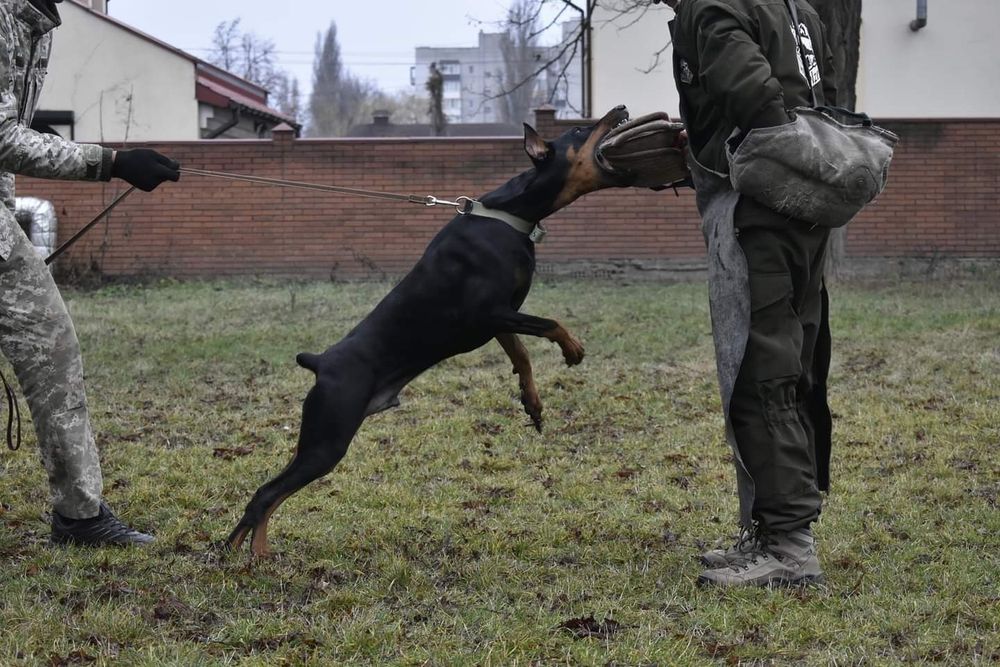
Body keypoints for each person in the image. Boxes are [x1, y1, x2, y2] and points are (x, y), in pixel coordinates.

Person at [660, 0, 839, 586]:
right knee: (795, 365)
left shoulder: (712, 6)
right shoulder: (795, 8)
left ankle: (789, 550)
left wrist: (721, 154)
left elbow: (757, 99)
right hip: (806, 210)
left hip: (759, 212)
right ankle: (772, 532)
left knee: (761, 372)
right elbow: (817, 96)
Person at [1, 0, 180, 545]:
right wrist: (111, 162)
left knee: (53, 353)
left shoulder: (35, 23)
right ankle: (80, 519)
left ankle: (80, 517)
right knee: (53, 349)